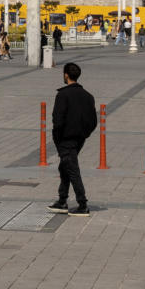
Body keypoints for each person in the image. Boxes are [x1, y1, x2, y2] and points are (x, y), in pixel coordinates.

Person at [47, 62, 97, 217]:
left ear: (66, 75)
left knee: (72, 169)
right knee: (65, 167)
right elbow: (93, 120)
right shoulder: (88, 96)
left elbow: (57, 120)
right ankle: (62, 200)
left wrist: (57, 138)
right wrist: (84, 134)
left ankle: (82, 204)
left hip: (66, 139)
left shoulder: (63, 95)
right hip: (79, 138)